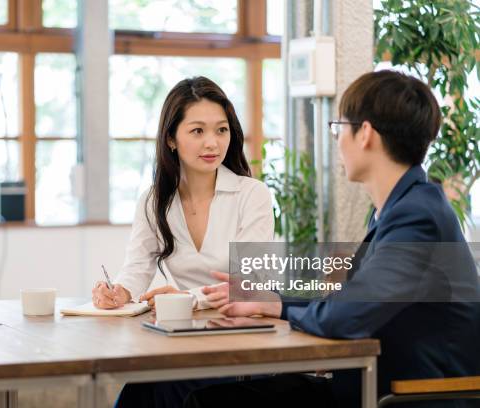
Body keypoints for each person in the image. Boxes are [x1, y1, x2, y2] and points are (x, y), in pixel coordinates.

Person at [189, 70, 480, 407]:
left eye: (338, 128)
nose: (336, 140)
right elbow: (355, 301)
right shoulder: (401, 207)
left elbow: (347, 316)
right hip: (376, 385)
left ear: (365, 134)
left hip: (408, 397)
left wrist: (277, 306)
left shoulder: (417, 216)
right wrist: (271, 300)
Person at [91, 76, 274, 312]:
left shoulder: (252, 194)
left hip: (245, 324)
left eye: (221, 130)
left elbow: (251, 282)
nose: (212, 143)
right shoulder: (153, 201)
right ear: (171, 139)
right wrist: (118, 292)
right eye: (198, 131)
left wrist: (189, 298)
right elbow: (137, 267)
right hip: (183, 325)